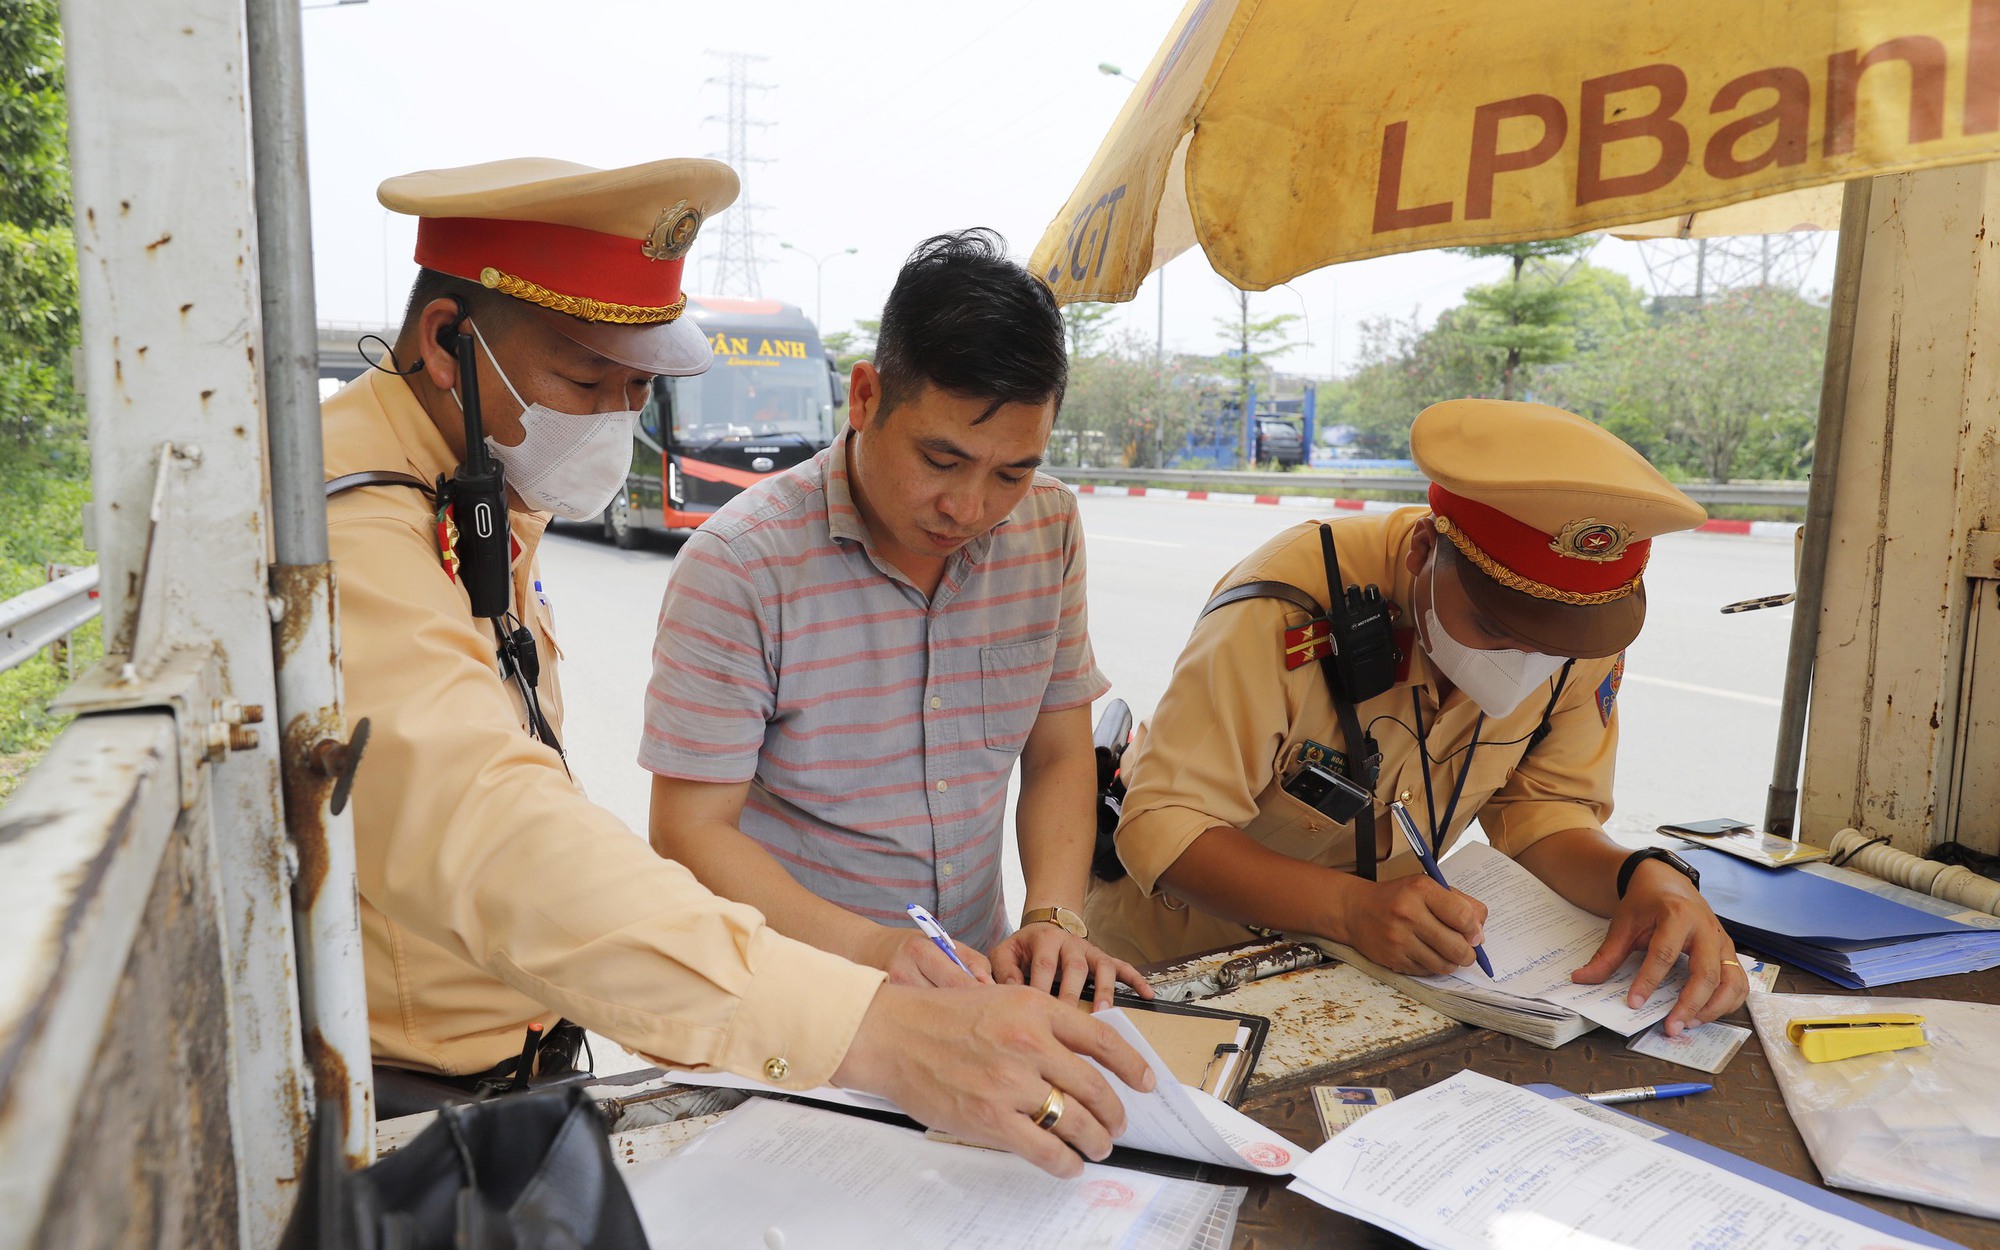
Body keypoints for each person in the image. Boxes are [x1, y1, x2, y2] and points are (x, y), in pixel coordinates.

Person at [327, 157, 1150, 1175]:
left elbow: (1060, 743)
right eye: (588, 381)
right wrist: (872, 1017)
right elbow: (492, 825)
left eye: (635, 388)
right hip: (395, 1093)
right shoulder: (354, 523)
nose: (612, 423)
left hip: (525, 1053)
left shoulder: (473, 486)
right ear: (449, 343)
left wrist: (1048, 915)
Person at [1086, 399, 1748, 1036]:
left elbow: (1543, 812)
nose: (1527, 661)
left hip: (1375, 970)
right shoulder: (1286, 605)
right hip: (1176, 963)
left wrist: (1644, 878)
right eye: (1494, 626)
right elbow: (1163, 824)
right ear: (1423, 550)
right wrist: (1348, 909)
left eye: (1555, 646)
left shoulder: (1581, 637)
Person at [642, 230, 1150, 1008]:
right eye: (941, 461)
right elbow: (691, 829)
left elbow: (1057, 753)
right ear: (866, 397)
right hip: (796, 994)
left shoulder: (1046, 528)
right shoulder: (741, 565)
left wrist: (1053, 916)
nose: (969, 508)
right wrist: (875, 950)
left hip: (979, 982)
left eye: (1011, 471)